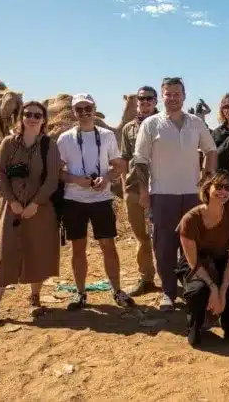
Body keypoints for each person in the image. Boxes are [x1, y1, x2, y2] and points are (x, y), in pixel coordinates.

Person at [132, 77, 218, 311]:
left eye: (176, 93)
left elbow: (211, 150)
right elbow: (140, 160)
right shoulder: (151, 124)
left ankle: (193, 289)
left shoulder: (195, 123)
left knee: (193, 244)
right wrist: (143, 191)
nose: (172, 98)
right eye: (168, 94)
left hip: (192, 194)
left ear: (184, 95)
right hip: (162, 194)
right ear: (162, 96)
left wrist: (206, 177)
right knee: (164, 246)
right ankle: (168, 293)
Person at [0, 101, 61, 327]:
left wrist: (36, 203)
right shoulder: (8, 144)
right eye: (27, 114)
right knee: (5, 255)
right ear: (21, 117)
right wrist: (12, 201)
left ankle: (35, 298)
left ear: (43, 120)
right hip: (11, 209)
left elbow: (53, 178)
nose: (32, 118)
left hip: (39, 210)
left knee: (38, 251)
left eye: (37, 115)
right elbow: (0, 175)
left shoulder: (49, 146)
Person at [57, 93, 134, 310]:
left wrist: (107, 178)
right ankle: (80, 293)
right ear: (74, 112)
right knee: (78, 248)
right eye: (79, 109)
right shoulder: (65, 139)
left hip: (102, 198)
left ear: (94, 108)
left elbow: (119, 165)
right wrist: (75, 180)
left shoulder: (108, 136)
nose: (84, 112)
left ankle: (117, 290)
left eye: (87, 107)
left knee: (108, 246)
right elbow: (57, 171)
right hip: (74, 199)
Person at [176, 170, 229, 346]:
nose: (223, 192)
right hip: (195, 263)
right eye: (219, 186)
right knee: (198, 290)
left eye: (228, 188)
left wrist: (222, 291)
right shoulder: (190, 219)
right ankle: (196, 325)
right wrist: (212, 288)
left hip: (221, 259)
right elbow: (193, 261)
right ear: (208, 188)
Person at [120, 85, 160, 297]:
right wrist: (125, 187)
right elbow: (124, 159)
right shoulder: (128, 129)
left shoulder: (165, 124)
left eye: (149, 99)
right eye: (141, 99)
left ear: (155, 101)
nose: (144, 102)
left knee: (164, 237)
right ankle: (146, 277)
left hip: (162, 188)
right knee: (142, 237)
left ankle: (170, 280)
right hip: (134, 189)